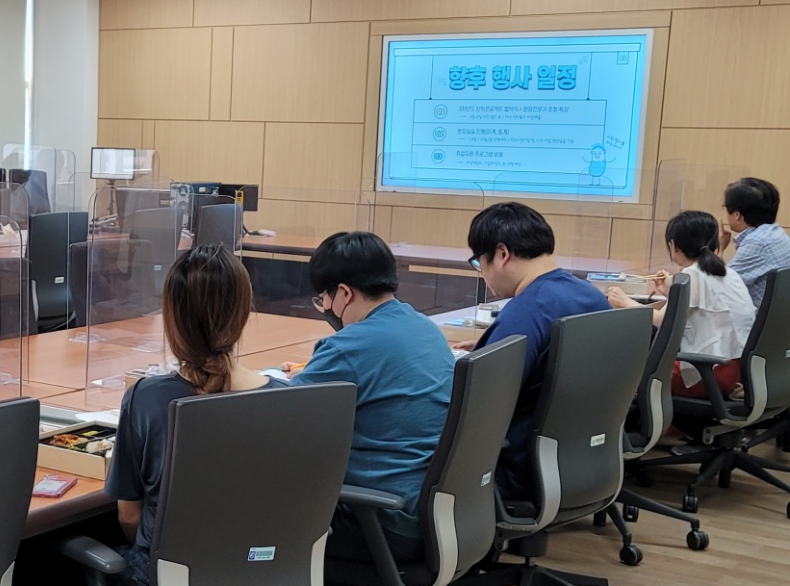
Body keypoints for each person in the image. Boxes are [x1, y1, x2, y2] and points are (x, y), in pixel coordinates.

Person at [36, 245, 269, 586]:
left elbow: (129, 515)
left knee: (66, 567)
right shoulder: (285, 397)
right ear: (244, 314)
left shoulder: (148, 397)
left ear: (172, 320)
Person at [289, 231, 454, 564]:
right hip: (439, 513)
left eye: (323, 298)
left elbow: (276, 416)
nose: (325, 308)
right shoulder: (424, 327)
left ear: (344, 293)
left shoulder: (348, 347)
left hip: (386, 524)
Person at [465, 201, 608, 499]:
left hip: (516, 471)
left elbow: (481, 401)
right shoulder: (590, 295)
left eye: (480, 262)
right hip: (582, 459)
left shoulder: (528, 310)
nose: (482, 273)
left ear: (502, 254)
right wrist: (490, 345)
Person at [608, 208, 753, 398]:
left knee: (627, 379)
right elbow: (703, 306)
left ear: (673, 246)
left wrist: (625, 302)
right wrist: (672, 291)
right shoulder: (725, 272)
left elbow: (663, 321)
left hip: (709, 374)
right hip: (734, 370)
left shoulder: (692, 274)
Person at [720, 177, 790, 310]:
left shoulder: (757, 242)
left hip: (754, 320)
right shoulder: (775, 232)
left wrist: (719, 249)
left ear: (737, 214)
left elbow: (718, 286)